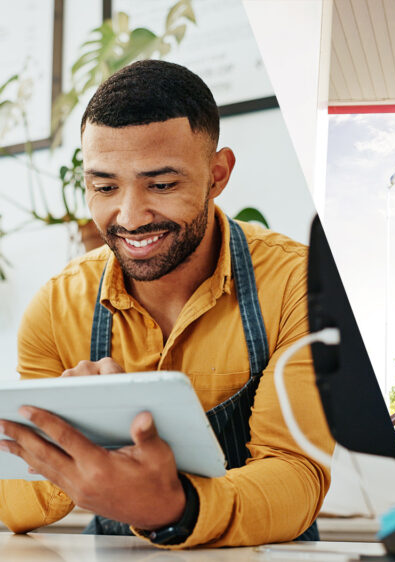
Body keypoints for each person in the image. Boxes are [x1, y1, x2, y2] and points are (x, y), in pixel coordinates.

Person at [0, 60, 333, 549]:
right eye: (105, 187)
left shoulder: (298, 284)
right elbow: (20, 495)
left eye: (161, 184)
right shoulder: (55, 308)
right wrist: (66, 440)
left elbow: (297, 472)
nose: (130, 218)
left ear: (217, 174)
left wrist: (172, 509)